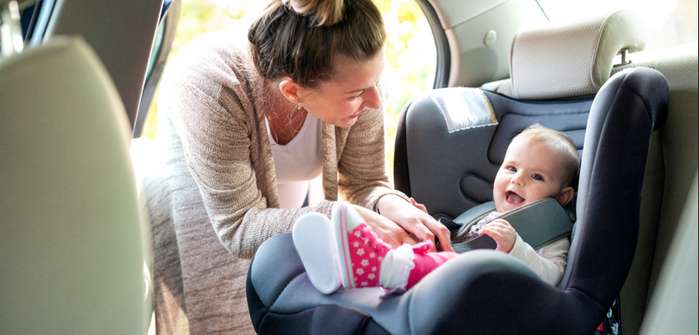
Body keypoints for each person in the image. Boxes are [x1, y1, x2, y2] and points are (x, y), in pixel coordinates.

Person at [145, 0, 452, 333]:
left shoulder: (356, 78)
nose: (375, 101)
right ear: (292, 91)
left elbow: (365, 181)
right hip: (200, 206)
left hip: (282, 202)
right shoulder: (212, 87)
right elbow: (239, 228)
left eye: (376, 83)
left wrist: (390, 205)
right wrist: (334, 218)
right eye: (358, 93)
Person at [293, 125, 579, 293]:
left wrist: (516, 247)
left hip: (484, 290)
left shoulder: (548, 229)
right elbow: (462, 245)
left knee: (418, 260)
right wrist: (427, 222)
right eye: (512, 168)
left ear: (563, 196)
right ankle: (341, 261)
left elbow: (552, 277)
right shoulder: (490, 214)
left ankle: (376, 265)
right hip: (459, 271)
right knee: (412, 237)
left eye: (536, 177)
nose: (517, 179)